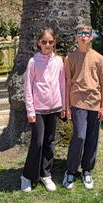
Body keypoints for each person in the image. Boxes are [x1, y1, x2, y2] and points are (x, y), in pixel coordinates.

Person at [63, 22, 103, 190]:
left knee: (92, 138)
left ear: (91, 37)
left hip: (95, 103)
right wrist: (67, 107)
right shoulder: (70, 58)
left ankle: (87, 171)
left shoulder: (99, 58)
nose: (83, 36)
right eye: (80, 33)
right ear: (76, 37)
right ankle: (70, 171)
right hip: (77, 102)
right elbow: (68, 83)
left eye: (86, 34)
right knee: (80, 136)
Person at [20, 27, 66, 193]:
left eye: (50, 42)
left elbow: (62, 84)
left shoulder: (59, 61)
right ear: (39, 42)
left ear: (54, 43)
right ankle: (27, 176)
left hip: (54, 108)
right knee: (38, 143)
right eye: (44, 41)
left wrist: (63, 106)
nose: (47, 44)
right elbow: (28, 87)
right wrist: (30, 110)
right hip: (38, 109)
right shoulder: (33, 61)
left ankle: (45, 174)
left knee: (50, 142)